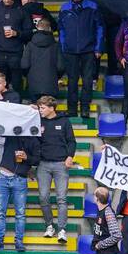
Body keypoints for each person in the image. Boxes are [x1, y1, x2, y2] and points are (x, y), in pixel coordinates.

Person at [0, 124, 41, 252]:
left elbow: (36, 160)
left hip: (19, 178)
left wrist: (26, 157)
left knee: (20, 213)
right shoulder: (12, 133)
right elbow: (3, 125)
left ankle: (18, 242)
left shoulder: (34, 140)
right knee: (1, 212)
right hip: (3, 176)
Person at [35, 95, 76, 242]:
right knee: (43, 197)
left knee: (61, 199)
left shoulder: (64, 121)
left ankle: (62, 229)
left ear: (52, 108)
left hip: (60, 164)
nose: (41, 110)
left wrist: (70, 156)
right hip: (43, 164)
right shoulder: (37, 121)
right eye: (39, 107)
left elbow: (72, 141)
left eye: (43, 108)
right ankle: (49, 225)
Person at [58, 0, 102, 120]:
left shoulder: (92, 6)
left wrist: (98, 48)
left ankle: (85, 109)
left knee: (87, 80)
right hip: (70, 50)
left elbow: (100, 28)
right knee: (72, 80)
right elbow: (61, 30)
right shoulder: (64, 8)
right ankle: (71, 109)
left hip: (88, 49)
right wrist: (63, 46)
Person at [90, 187, 123, 254]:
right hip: (101, 253)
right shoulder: (100, 210)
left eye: (94, 195)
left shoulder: (108, 212)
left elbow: (117, 235)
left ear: (97, 199)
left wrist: (99, 245)